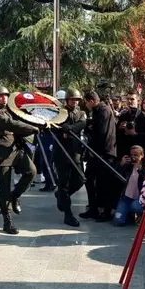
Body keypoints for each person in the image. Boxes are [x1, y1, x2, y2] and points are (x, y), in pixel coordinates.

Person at [0, 85, 39, 234]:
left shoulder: (12, 111)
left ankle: (15, 195)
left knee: (31, 171)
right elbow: (10, 124)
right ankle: (7, 220)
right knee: (4, 187)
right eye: (0, 96)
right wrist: (31, 128)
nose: (3, 98)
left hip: (16, 150)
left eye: (5, 96)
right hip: (2, 153)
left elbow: (22, 117)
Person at [80, 91, 117, 222]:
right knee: (89, 180)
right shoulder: (98, 110)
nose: (86, 104)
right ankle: (93, 208)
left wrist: (89, 127)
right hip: (95, 153)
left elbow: (101, 132)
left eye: (86, 101)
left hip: (104, 153)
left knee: (104, 183)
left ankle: (106, 211)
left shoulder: (103, 110)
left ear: (91, 101)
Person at [53, 88, 87, 227]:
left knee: (80, 180)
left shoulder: (80, 113)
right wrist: (62, 128)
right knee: (64, 184)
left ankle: (61, 196)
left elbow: (82, 123)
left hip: (75, 152)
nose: (75, 102)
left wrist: (70, 128)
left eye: (77, 100)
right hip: (61, 153)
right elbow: (54, 127)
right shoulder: (59, 112)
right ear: (67, 100)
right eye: (72, 99)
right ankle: (68, 214)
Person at [113, 145, 145, 227]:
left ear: (142, 155)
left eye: (136, 155)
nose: (133, 157)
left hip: (139, 199)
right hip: (126, 198)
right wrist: (121, 164)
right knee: (118, 221)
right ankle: (129, 214)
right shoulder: (128, 167)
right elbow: (116, 176)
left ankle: (139, 214)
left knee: (135, 206)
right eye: (132, 155)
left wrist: (139, 170)